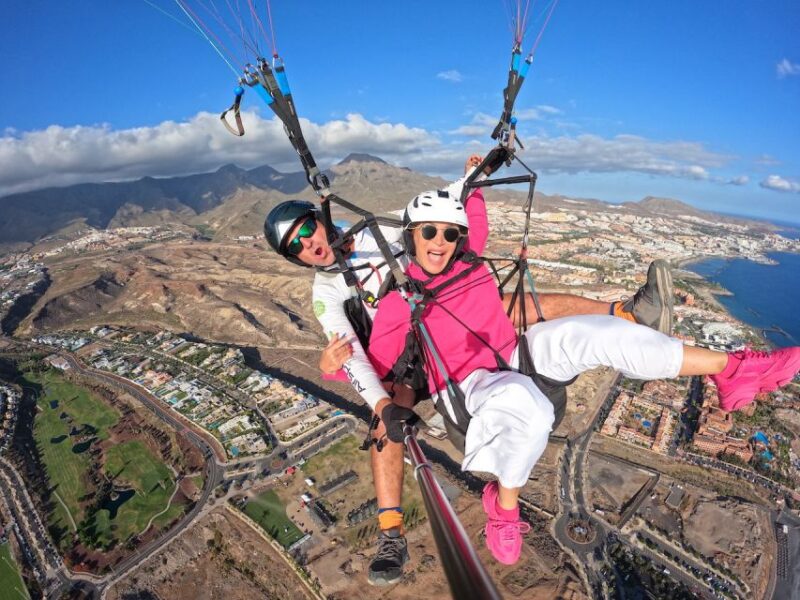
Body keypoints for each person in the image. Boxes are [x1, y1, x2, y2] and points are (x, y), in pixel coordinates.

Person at [264, 156, 673, 584]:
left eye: (308, 230)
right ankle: (390, 535)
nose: (309, 244)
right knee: (385, 426)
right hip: (403, 357)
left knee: (512, 304)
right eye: (296, 246)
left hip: (447, 326)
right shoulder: (327, 291)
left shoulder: (378, 230)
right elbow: (351, 356)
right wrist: (383, 404)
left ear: (322, 219)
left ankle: (628, 314)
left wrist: (477, 175)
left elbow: (436, 209)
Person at [363, 185, 800, 566]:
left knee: (602, 333)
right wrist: (389, 407)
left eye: (448, 233)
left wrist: (473, 182)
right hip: (467, 388)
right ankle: (504, 506)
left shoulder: (472, 264)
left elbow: (474, 217)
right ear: (410, 237)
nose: (439, 241)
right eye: (428, 232)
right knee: (524, 403)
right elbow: (381, 370)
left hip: (513, 353)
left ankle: (735, 369)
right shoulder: (401, 301)